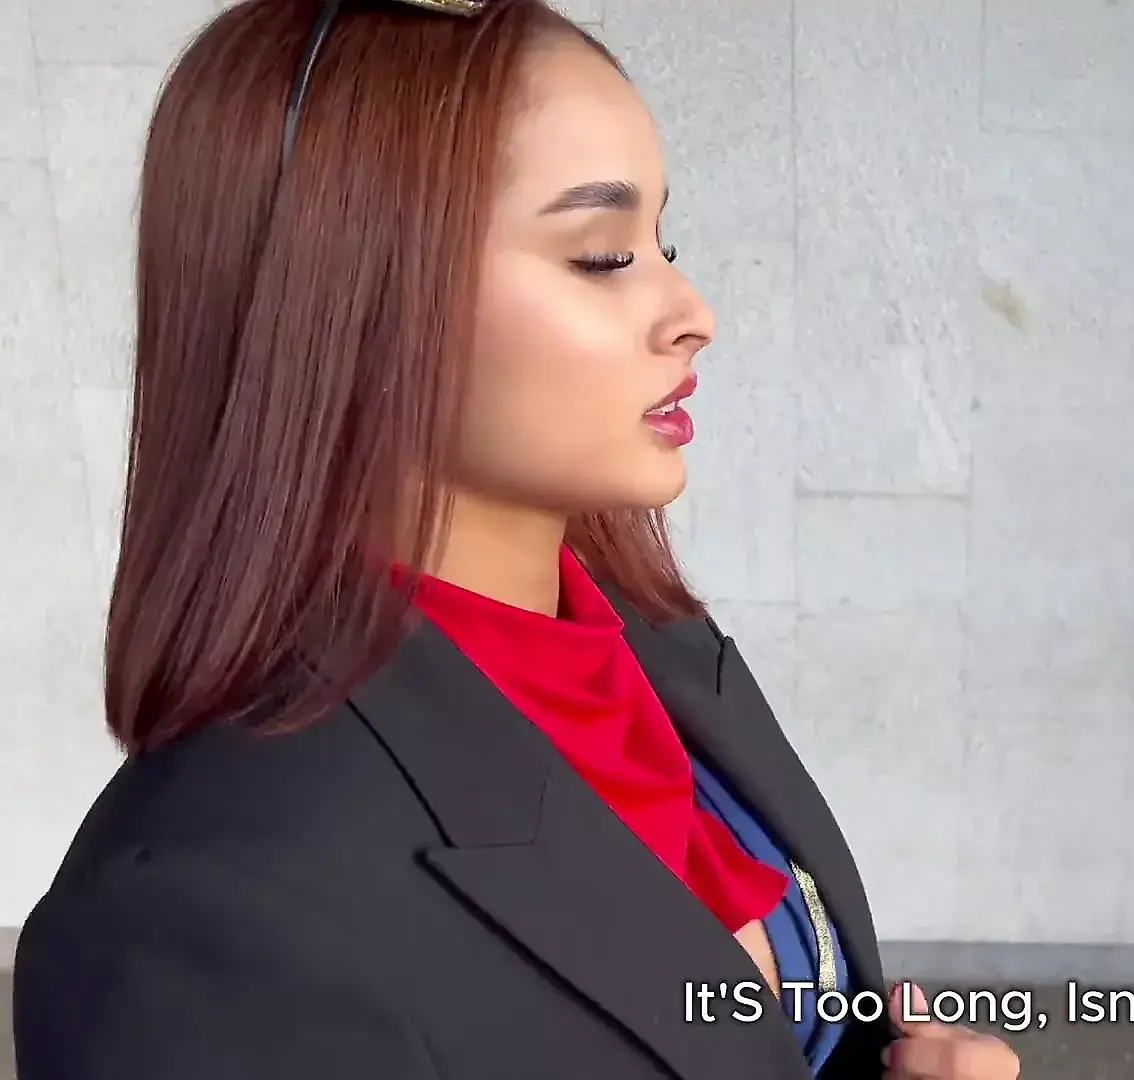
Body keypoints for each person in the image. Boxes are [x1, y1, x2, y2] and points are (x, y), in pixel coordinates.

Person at [8, 2, 1020, 1078]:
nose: (692, 311)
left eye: (663, 243)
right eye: (602, 256)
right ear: (350, 297)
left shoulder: (656, 649)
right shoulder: (202, 929)